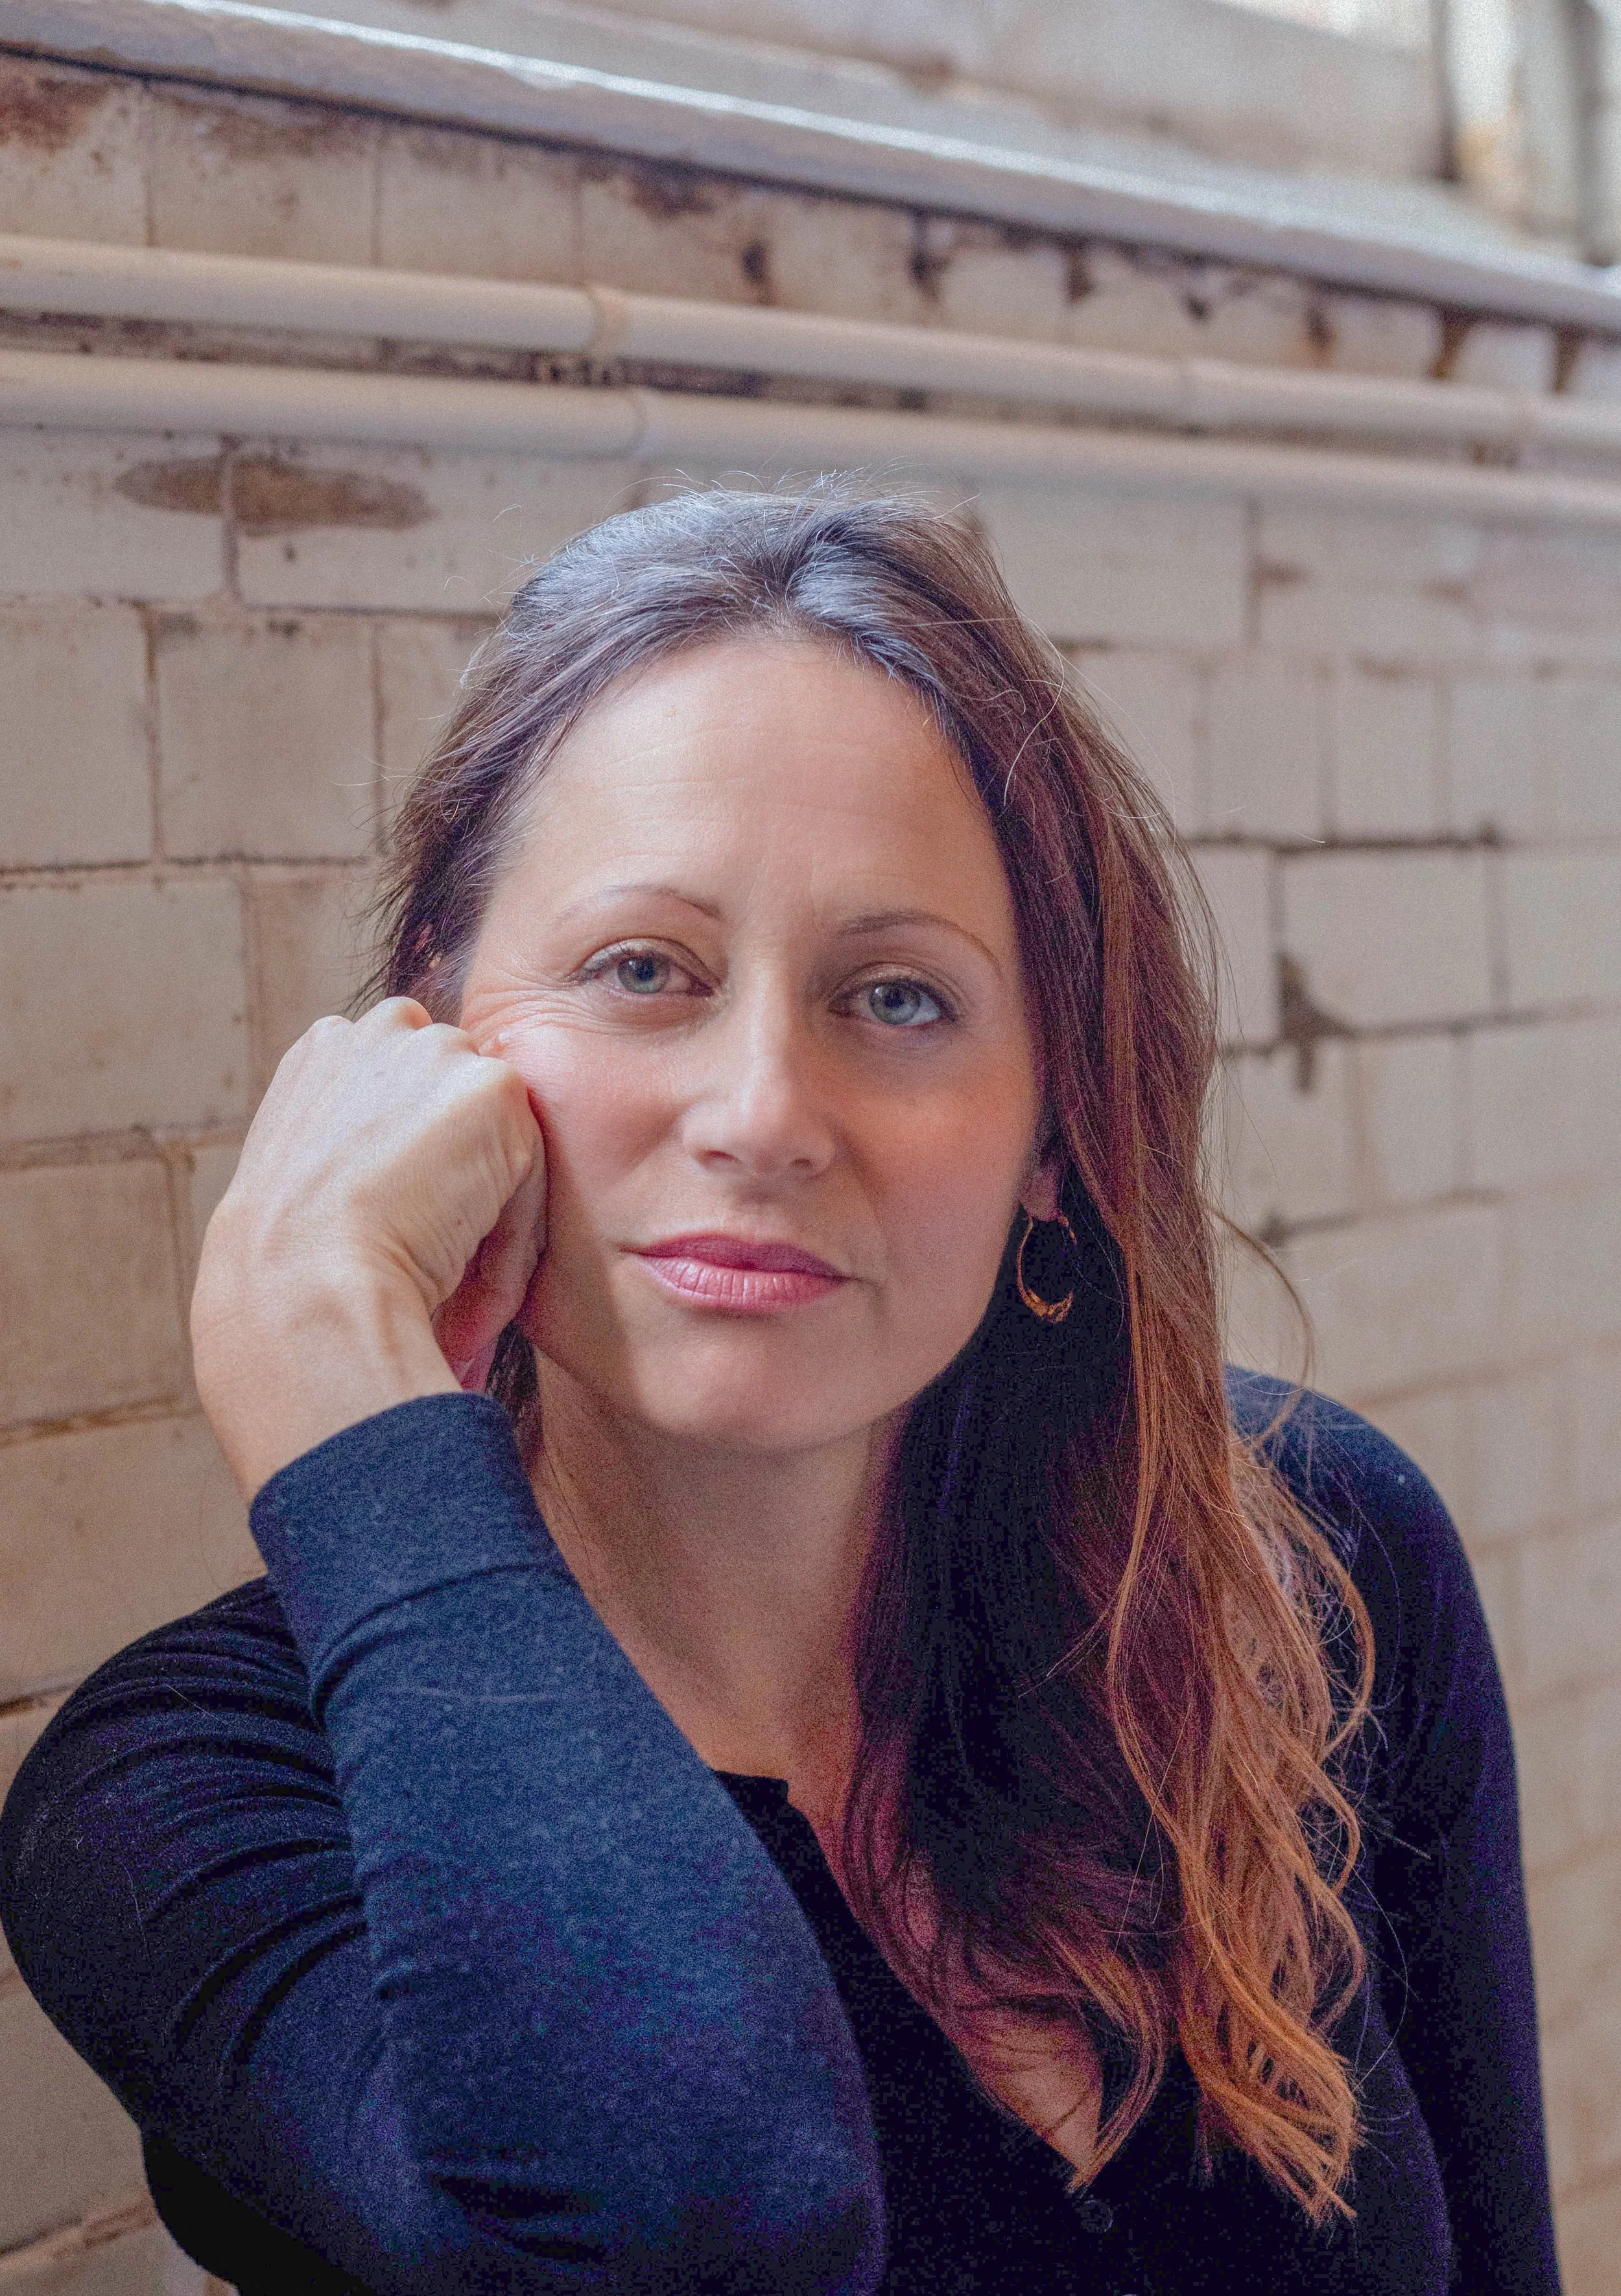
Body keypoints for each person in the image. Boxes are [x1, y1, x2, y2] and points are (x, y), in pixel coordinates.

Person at [0, 486, 1558, 2296]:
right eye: (640, 969)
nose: (757, 1112)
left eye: (895, 997)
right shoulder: (193, 1790)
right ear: (422, 1039)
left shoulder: (1300, 1554)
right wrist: (340, 1379)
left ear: (1055, 1124)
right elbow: (700, 2216)